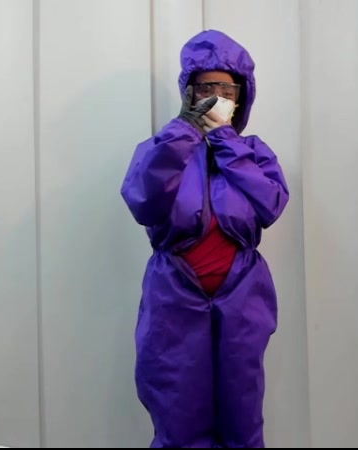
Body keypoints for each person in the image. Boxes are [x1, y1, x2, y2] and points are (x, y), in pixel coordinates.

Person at [120, 29, 289, 448]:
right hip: (175, 295)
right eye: (206, 88)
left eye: (227, 90)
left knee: (242, 414)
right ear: (188, 93)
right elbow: (144, 200)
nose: (216, 97)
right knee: (178, 412)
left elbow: (270, 204)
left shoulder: (254, 152)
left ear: (241, 97)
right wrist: (185, 131)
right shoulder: (163, 148)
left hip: (242, 294)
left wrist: (225, 141)